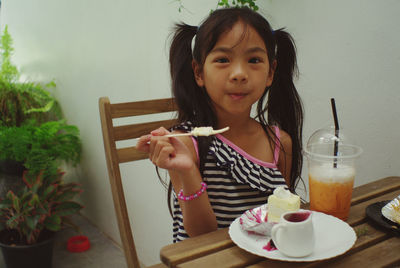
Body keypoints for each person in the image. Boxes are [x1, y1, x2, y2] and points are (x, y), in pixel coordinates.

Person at [137, 7, 304, 243]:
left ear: (271, 72)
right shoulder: (184, 144)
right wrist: (187, 169)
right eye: (223, 60)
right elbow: (201, 234)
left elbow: (282, 216)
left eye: (254, 60)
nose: (238, 74)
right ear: (199, 72)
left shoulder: (280, 142)